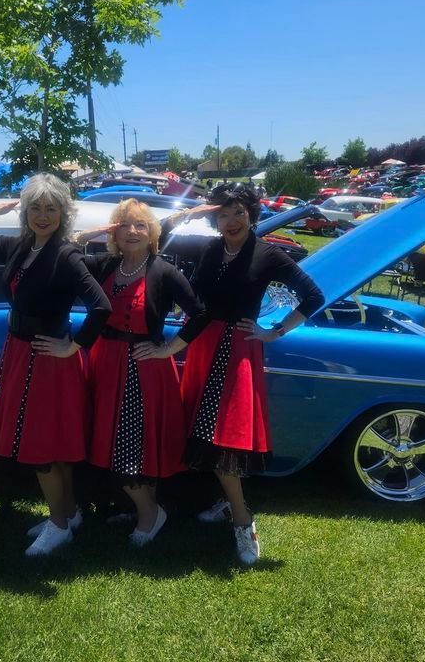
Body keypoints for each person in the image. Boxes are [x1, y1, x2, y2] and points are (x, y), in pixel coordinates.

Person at [160, 184, 324, 565]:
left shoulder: (269, 254)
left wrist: (275, 331)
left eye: (238, 212)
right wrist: (192, 214)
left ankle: (243, 521)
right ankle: (223, 504)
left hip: (235, 350)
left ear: (252, 213)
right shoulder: (210, 249)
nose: (231, 221)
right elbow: (160, 246)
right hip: (201, 344)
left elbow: (314, 296)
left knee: (223, 436)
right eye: (223, 213)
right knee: (202, 431)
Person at [0, 173, 111, 557]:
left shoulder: (65, 254)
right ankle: (69, 514)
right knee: (51, 446)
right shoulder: (20, 247)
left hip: (47, 361)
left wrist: (73, 346)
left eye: (51, 208)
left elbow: (101, 307)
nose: (43, 216)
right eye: (36, 208)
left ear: (64, 213)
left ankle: (59, 526)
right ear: (25, 212)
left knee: (43, 447)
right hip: (20, 355)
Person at [73, 199, 208, 546]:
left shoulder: (162, 270)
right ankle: (137, 506)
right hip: (105, 365)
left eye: (140, 225)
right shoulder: (106, 265)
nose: (132, 232)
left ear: (152, 233)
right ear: (113, 232)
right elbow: (63, 261)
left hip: (141, 370)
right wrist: (80, 238)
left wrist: (168, 349)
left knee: (132, 445)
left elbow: (200, 314)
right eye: (124, 225)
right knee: (110, 441)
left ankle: (151, 513)